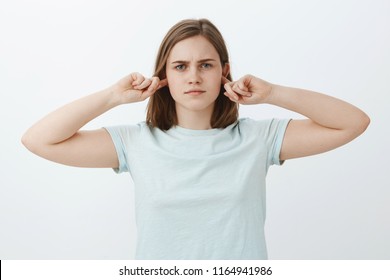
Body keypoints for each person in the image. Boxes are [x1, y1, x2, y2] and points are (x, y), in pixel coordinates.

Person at [21, 18, 370, 260]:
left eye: (206, 65)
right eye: (180, 66)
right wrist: (113, 96)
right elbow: (39, 140)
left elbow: (352, 123)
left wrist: (273, 93)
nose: (194, 77)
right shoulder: (136, 143)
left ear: (224, 71)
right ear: (164, 77)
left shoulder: (257, 138)